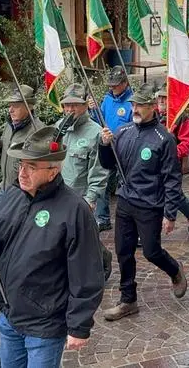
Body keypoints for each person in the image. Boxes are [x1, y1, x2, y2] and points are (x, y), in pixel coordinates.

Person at [0, 127, 105, 367]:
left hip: (45, 323)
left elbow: (87, 272)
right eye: (21, 165)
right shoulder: (11, 196)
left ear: (53, 171)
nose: (22, 173)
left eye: (31, 167)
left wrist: (79, 326)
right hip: (11, 315)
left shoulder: (73, 210)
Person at [98, 84, 188, 322]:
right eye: (133, 105)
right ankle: (128, 300)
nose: (135, 109)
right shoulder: (124, 131)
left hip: (150, 204)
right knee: (123, 251)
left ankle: (174, 270)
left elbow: (172, 178)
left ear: (152, 107)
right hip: (126, 201)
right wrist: (104, 145)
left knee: (151, 251)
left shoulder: (164, 138)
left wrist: (170, 213)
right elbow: (109, 164)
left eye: (140, 105)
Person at [54, 83, 113, 278]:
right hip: (57, 193)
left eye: (75, 105)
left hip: (80, 195)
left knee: (84, 236)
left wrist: (91, 198)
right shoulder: (58, 128)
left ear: (85, 105)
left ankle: (103, 259)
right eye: (66, 105)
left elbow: (99, 169)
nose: (69, 109)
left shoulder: (95, 132)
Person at [87, 66, 133, 230]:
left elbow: (134, 128)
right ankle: (103, 218)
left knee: (126, 185)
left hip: (125, 151)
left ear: (125, 83)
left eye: (116, 85)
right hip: (108, 149)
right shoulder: (107, 99)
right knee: (103, 184)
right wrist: (93, 110)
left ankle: (129, 220)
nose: (112, 88)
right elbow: (99, 120)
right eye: (111, 85)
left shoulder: (132, 101)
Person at [0, 85, 45, 194]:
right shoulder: (9, 126)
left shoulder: (38, 131)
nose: (10, 110)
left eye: (16, 106)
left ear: (29, 107)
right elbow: (5, 149)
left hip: (23, 193)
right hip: (5, 187)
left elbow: (39, 167)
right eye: (10, 105)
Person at [157, 84, 189, 232]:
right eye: (160, 97)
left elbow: (188, 142)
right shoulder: (152, 114)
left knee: (174, 194)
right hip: (153, 163)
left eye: (165, 97)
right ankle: (149, 228)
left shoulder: (181, 118)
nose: (161, 100)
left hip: (171, 164)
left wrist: (172, 154)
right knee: (154, 192)